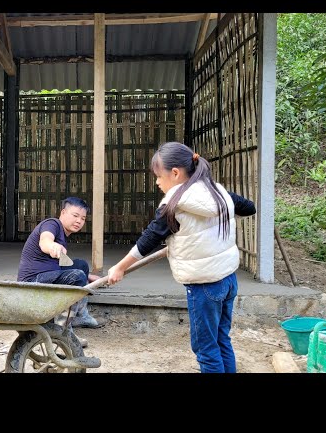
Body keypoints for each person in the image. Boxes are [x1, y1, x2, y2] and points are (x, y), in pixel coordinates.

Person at [107, 142, 256, 373]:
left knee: (205, 348)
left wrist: (119, 267)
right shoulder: (217, 191)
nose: (157, 182)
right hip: (228, 279)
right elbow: (248, 208)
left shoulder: (174, 203)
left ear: (175, 173)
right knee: (221, 340)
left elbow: (148, 240)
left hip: (204, 285)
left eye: (158, 176)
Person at [18, 197, 106, 329]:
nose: (79, 221)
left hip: (46, 276)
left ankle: (80, 316)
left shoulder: (63, 233)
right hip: (32, 281)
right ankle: (63, 330)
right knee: (77, 276)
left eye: (83, 218)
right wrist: (52, 246)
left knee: (81, 265)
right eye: (75, 215)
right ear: (63, 213)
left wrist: (88, 277)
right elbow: (45, 241)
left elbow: (63, 264)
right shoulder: (52, 224)